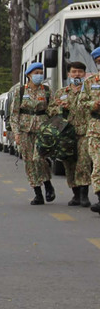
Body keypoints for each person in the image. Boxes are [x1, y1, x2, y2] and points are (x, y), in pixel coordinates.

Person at [9, 62, 54, 205]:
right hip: (25, 131)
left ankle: (47, 184)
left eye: (41, 73)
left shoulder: (46, 91)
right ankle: (37, 193)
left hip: (43, 130)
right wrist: (16, 133)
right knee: (29, 162)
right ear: (28, 75)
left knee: (39, 158)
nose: (39, 75)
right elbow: (14, 114)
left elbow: (52, 110)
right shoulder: (20, 91)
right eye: (36, 73)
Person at [47, 62, 91, 206]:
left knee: (83, 163)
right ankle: (75, 194)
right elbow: (51, 111)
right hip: (66, 134)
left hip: (85, 132)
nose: (77, 74)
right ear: (69, 74)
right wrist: (60, 107)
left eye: (79, 72)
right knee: (69, 164)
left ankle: (84, 195)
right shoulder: (61, 92)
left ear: (84, 74)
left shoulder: (89, 91)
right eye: (74, 72)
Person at [75, 48, 100, 211]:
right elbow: (81, 103)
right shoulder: (90, 83)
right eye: (98, 62)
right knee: (98, 165)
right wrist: (93, 105)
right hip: (95, 129)